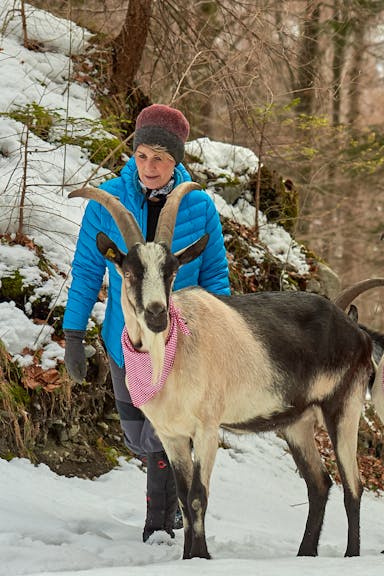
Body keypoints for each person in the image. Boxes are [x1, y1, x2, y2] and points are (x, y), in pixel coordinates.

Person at [63, 104, 231, 543]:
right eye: (143, 155)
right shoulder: (109, 202)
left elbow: (215, 276)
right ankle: (172, 497)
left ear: (176, 161)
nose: (150, 166)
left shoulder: (199, 207)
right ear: (133, 153)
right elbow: (85, 271)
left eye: (161, 157)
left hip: (184, 343)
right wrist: (74, 334)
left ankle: (160, 522)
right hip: (127, 342)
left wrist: (224, 337)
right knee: (139, 436)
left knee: (165, 435)